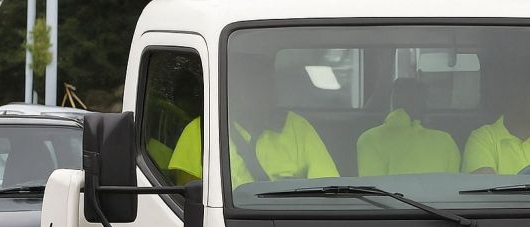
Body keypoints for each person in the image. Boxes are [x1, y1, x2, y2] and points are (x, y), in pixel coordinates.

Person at [169, 57, 339, 188]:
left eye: (267, 83)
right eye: (252, 83)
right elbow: (189, 202)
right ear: (231, 87)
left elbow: (327, 189)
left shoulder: (297, 127)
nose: (262, 91)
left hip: (292, 220)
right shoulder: (201, 130)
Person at [357, 78, 460, 176]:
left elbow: (373, 185)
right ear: (424, 107)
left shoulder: (369, 139)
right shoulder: (445, 141)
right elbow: (453, 183)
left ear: (391, 105)